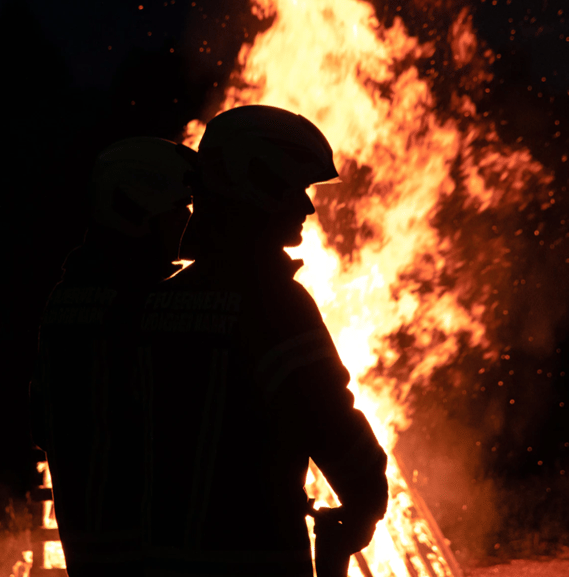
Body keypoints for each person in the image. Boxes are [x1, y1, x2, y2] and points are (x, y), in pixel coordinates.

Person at [137, 105, 389, 577]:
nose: (307, 206)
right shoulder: (276, 306)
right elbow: (333, 426)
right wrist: (365, 502)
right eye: (296, 188)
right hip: (255, 558)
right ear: (256, 185)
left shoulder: (155, 304)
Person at [29, 137, 197, 577]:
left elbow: (42, 420)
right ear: (138, 210)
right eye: (180, 207)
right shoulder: (144, 304)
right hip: (143, 543)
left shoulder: (67, 297)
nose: (189, 219)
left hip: (87, 538)